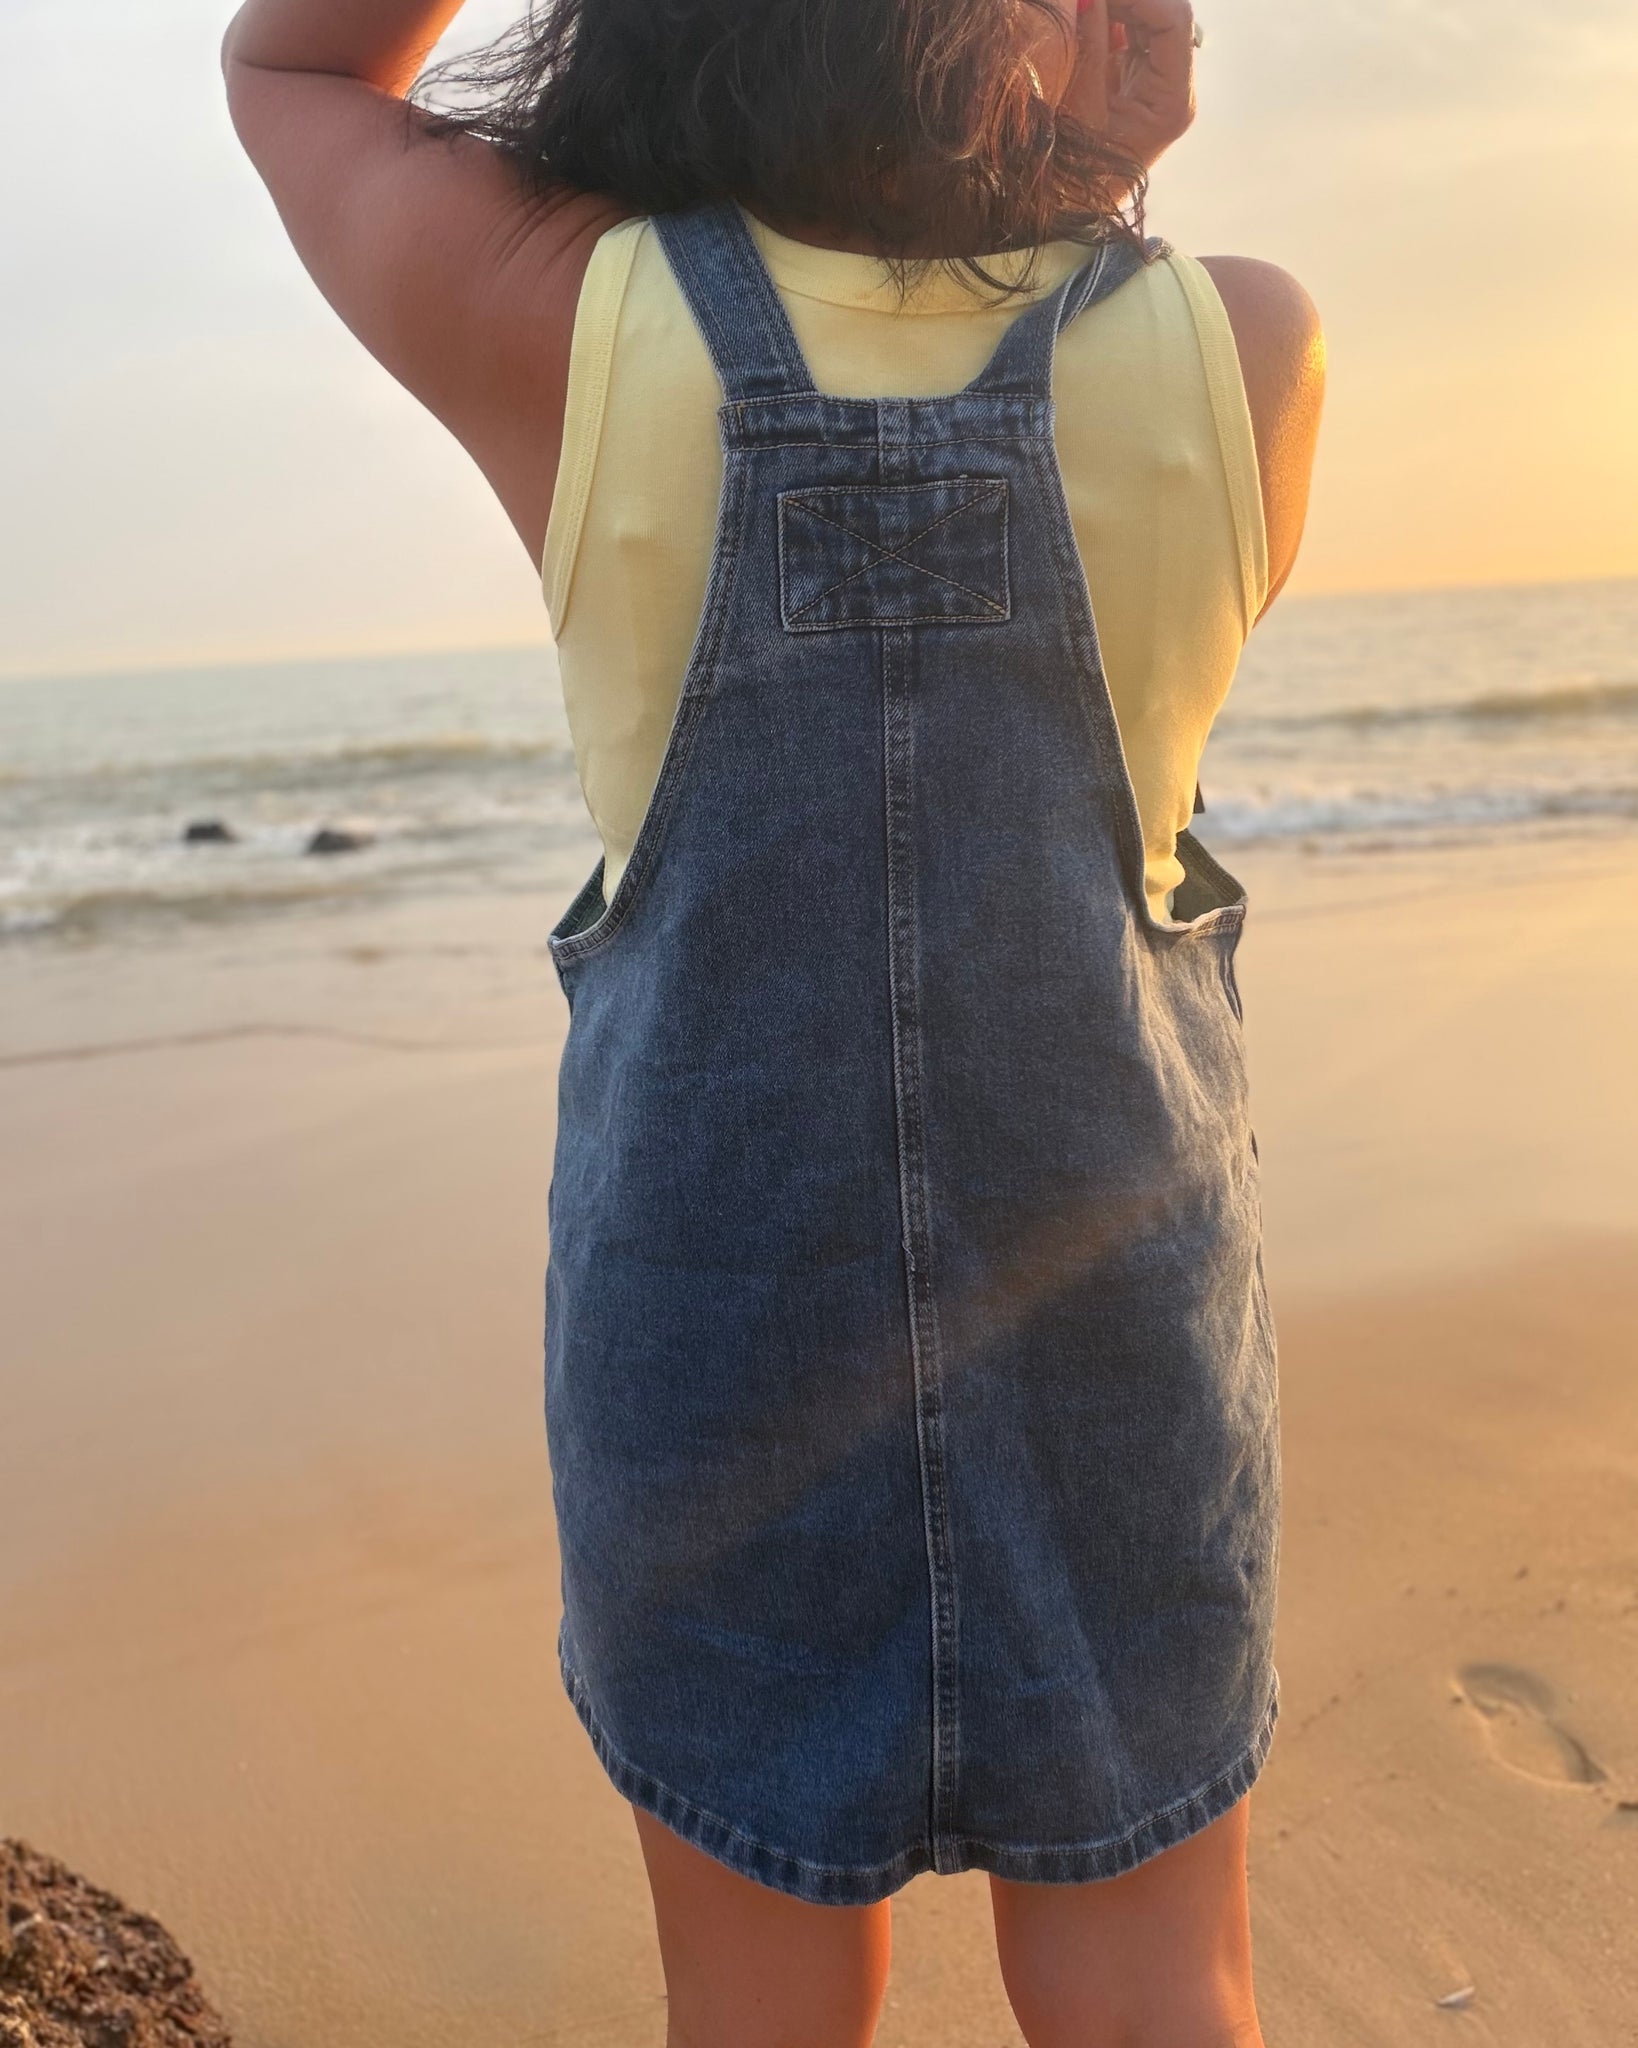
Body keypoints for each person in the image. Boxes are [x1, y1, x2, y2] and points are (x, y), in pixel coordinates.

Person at [222, 0, 1324, 2038]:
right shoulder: (1240, 341)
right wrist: (1089, 172)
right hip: (1107, 1303)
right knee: (1161, 1991)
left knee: (755, 2015)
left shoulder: (569, 316)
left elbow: (291, 70)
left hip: (715, 1318)